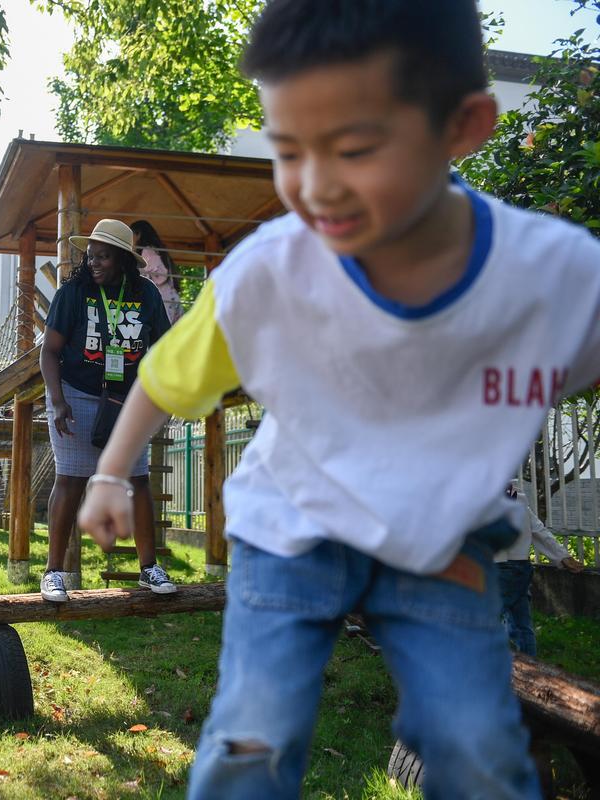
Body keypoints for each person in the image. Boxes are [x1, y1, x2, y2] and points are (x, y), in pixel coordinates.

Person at [77, 2, 600, 796]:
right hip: (293, 528)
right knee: (252, 738)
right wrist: (111, 475)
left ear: (464, 125)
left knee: (479, 746)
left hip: (438, 540)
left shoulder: (553, 276)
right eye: (289, 150)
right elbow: (162, 374)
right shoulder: (271, 273)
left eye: (355, 148)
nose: (316, 186)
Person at [39, 218, 176, 604]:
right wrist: (58, 401)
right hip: (76, 393)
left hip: (125, 399)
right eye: (91, 256)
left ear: (121, 259)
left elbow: (163, 350)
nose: (94, 263)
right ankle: (53, 573)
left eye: (103, 256)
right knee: (72, 478)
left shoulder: (145, 294)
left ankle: (149, 568)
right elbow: (48, 352)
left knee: (138, 479)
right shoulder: (73, 293)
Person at [496, 481, 585, 656]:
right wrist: (562, 556)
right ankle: (530, 670)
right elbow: (539, 530)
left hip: (499, 569)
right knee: (521, 626)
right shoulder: (517, 498)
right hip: (520, 569)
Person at [130, 220, 184, 323]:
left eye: (132, 235)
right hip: (172, 298)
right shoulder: (159, 250)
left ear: (138, 234)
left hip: (163, 300)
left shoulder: (148, 251)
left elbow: (160, 276)